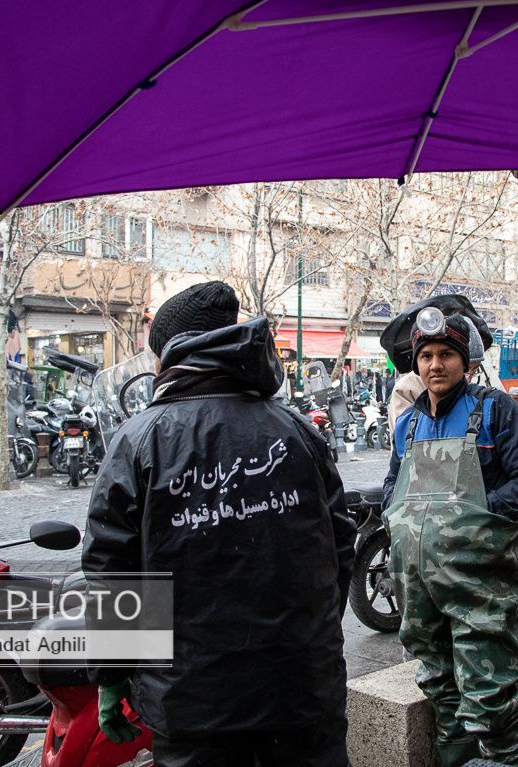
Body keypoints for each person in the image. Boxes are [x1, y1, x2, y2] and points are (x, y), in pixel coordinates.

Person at [82, 281, 355, 767]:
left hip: (192, 702)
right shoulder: (297, 431)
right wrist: (310, 637)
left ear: (169, 357)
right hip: (302, 687)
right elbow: (339, 548)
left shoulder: (139, 440)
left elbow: (113, 572)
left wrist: (111, 675)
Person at [382, 308, 518, 767]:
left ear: (467, 362)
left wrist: (476, 513)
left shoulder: (494, 410)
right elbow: (393, 483)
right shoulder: (407, 424)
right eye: (427, 356)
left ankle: (502, 759)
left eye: (447, 355)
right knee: (437, 680)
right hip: (418, 587)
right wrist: (394, 516)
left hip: (480, 585)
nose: (435, 365)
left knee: (487, 688)